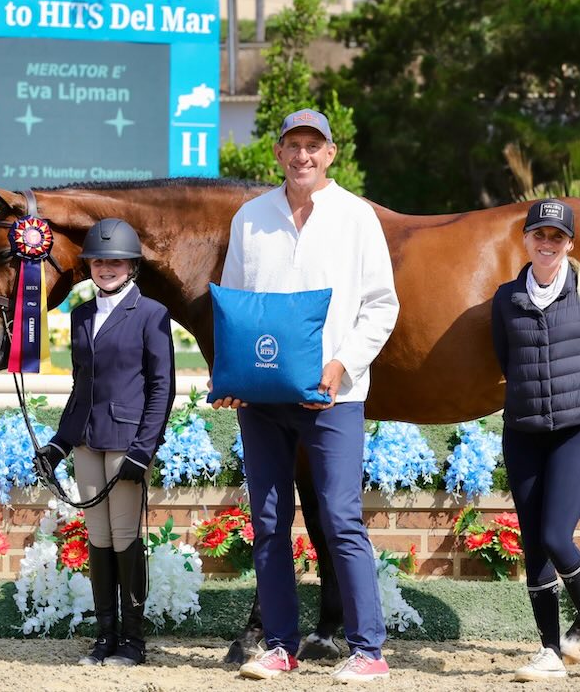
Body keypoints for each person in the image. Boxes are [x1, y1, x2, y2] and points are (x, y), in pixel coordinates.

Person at [212, 109, 399, 682]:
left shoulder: (358, 218)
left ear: (331, 154)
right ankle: (280, 645)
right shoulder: (250, 218)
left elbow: (382, 305)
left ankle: (369, 651)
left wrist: (341, 366)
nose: (303, 156)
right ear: (278, 152)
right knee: (268, 521)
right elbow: (239, 307)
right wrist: (234, 375)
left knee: (342, 518)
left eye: (313, 146)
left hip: (334, 397)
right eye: (293, 146)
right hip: (263, 402)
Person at [490, 199, 580, 686]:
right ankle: (548, 650)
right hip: (523, 433)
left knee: (555, 538)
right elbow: (507, 361)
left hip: (577, 431)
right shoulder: (506, 299)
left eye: (556, 237)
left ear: (570, 244)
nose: (547, 244)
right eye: (538, 235)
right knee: (533, 547)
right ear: (526, 240)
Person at [35, 218, 176, 667]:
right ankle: (105, 636)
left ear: (131, 266)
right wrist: (58, 444)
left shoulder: (152, 315)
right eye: (99, 260)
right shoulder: (80, 315)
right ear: (90, 266)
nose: (107, 267)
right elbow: (82, 388)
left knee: (124, 537)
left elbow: (162, 387)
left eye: (116, 261)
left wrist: (143, 449)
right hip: (87, 443)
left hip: (126, 442)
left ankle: (133, 642)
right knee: (97, 538)